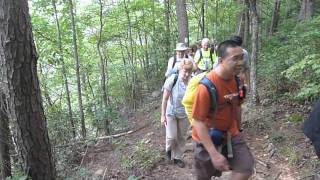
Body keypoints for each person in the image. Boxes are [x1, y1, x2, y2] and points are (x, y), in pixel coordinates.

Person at [191, 40, 254, 180]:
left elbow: (237, 105)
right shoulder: (206, 87)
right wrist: (213, 154)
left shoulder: (238, 81)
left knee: (245, 167)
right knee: (204, 177)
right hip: (206, 137)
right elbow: (198, 122)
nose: (240, 62)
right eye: (235, 59)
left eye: (241, 57)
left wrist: (239, 129)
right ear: (221, 60)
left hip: (231, 133)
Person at [161, 59, 195, 168]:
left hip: (185, 114)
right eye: (184, 71)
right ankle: (168, 149)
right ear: (180, 70)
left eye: (189, 72)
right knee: (171, 137)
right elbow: (165, 99)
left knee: (182, 137)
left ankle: (177, 157)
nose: (186, 74)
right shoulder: (172, 79)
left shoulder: (193, 82)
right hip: (171, 112)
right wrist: (162, 115)